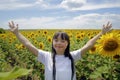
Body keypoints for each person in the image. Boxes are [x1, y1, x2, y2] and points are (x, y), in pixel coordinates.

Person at [8, 21, 112, 80]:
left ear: (67, 43)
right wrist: (17, 33)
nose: (59, 43)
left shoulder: (73, 56)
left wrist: (101, 33)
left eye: (63, 41)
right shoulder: (46, 56)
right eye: (56, 40)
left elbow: (88, 45)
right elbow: (28, 44)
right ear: (52, 42)